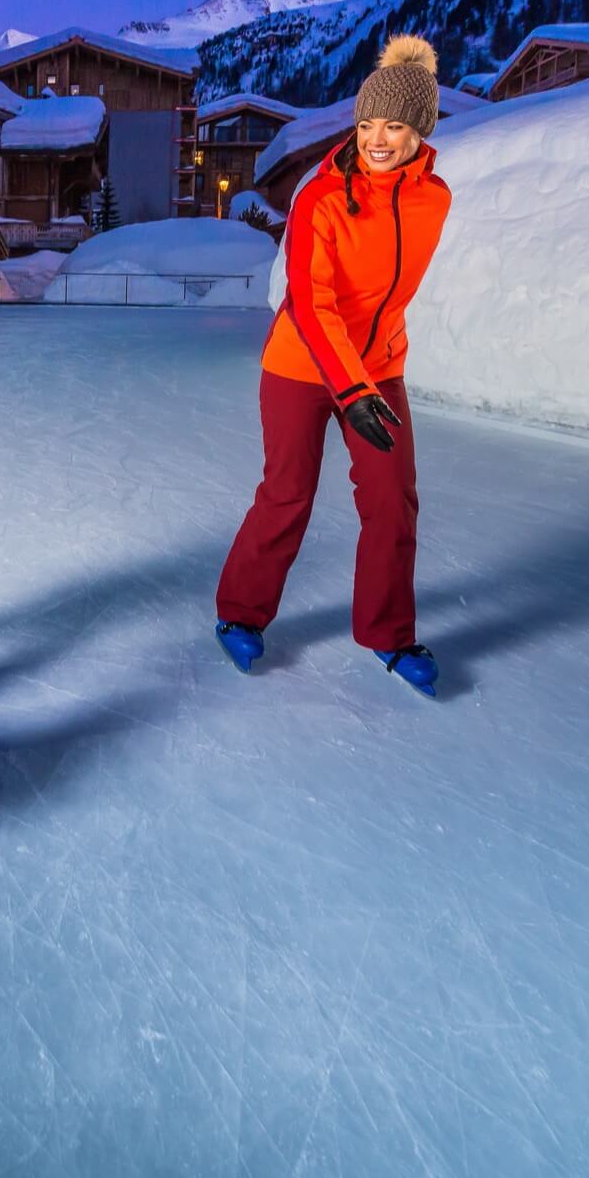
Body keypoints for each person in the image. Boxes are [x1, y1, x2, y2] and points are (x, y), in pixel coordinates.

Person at [213, 34, 452, 698]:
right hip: (300, 366)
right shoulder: (322, 196)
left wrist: (372, 377)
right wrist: (350, 389)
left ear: (419, 129)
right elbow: (311, 304)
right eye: (367, 124)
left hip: (380, 369)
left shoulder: (434, 201)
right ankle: (240, 612)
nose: (377, 139)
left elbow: (386, 296)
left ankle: (388, 632)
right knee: (287, 492)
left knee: (392, 500)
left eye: (394, 126)